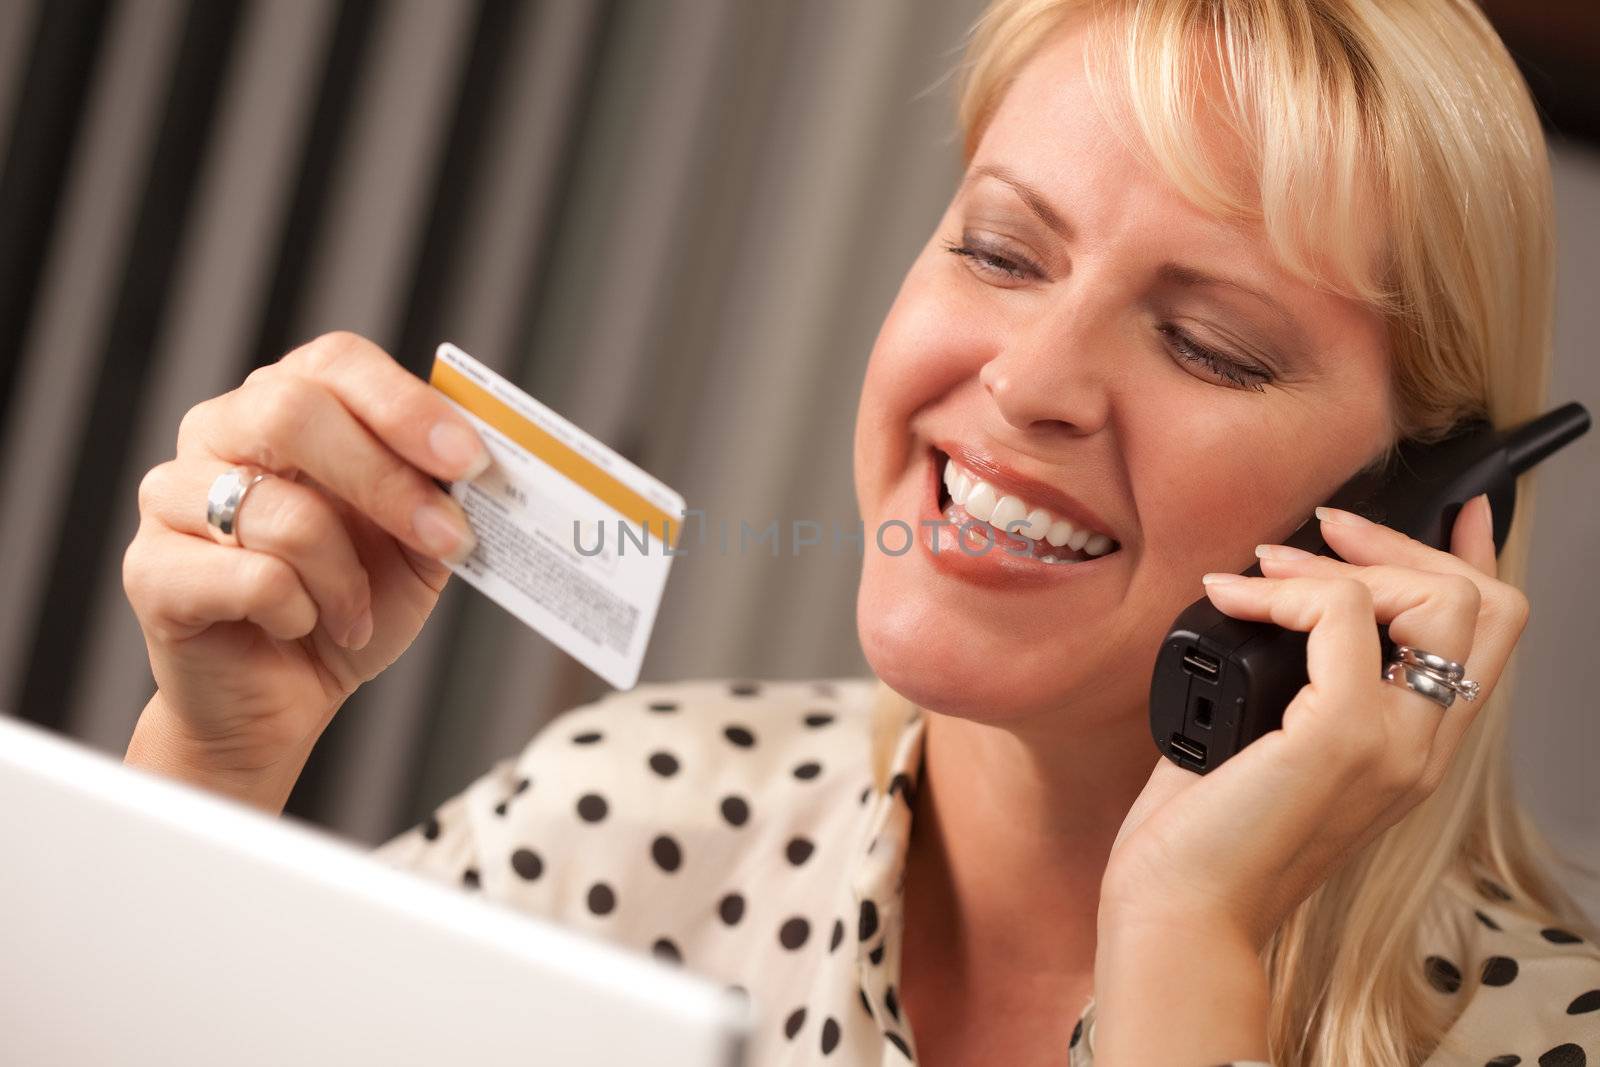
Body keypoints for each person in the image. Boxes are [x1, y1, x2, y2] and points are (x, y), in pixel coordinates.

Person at [121, 1, 1600, 1064]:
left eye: (1209, 344)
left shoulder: (1542, 1039)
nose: (1027, 382)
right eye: (1002, 250)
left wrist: (1185, 935)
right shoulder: (635, 823)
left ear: (1429, 506)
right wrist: (210, 778)